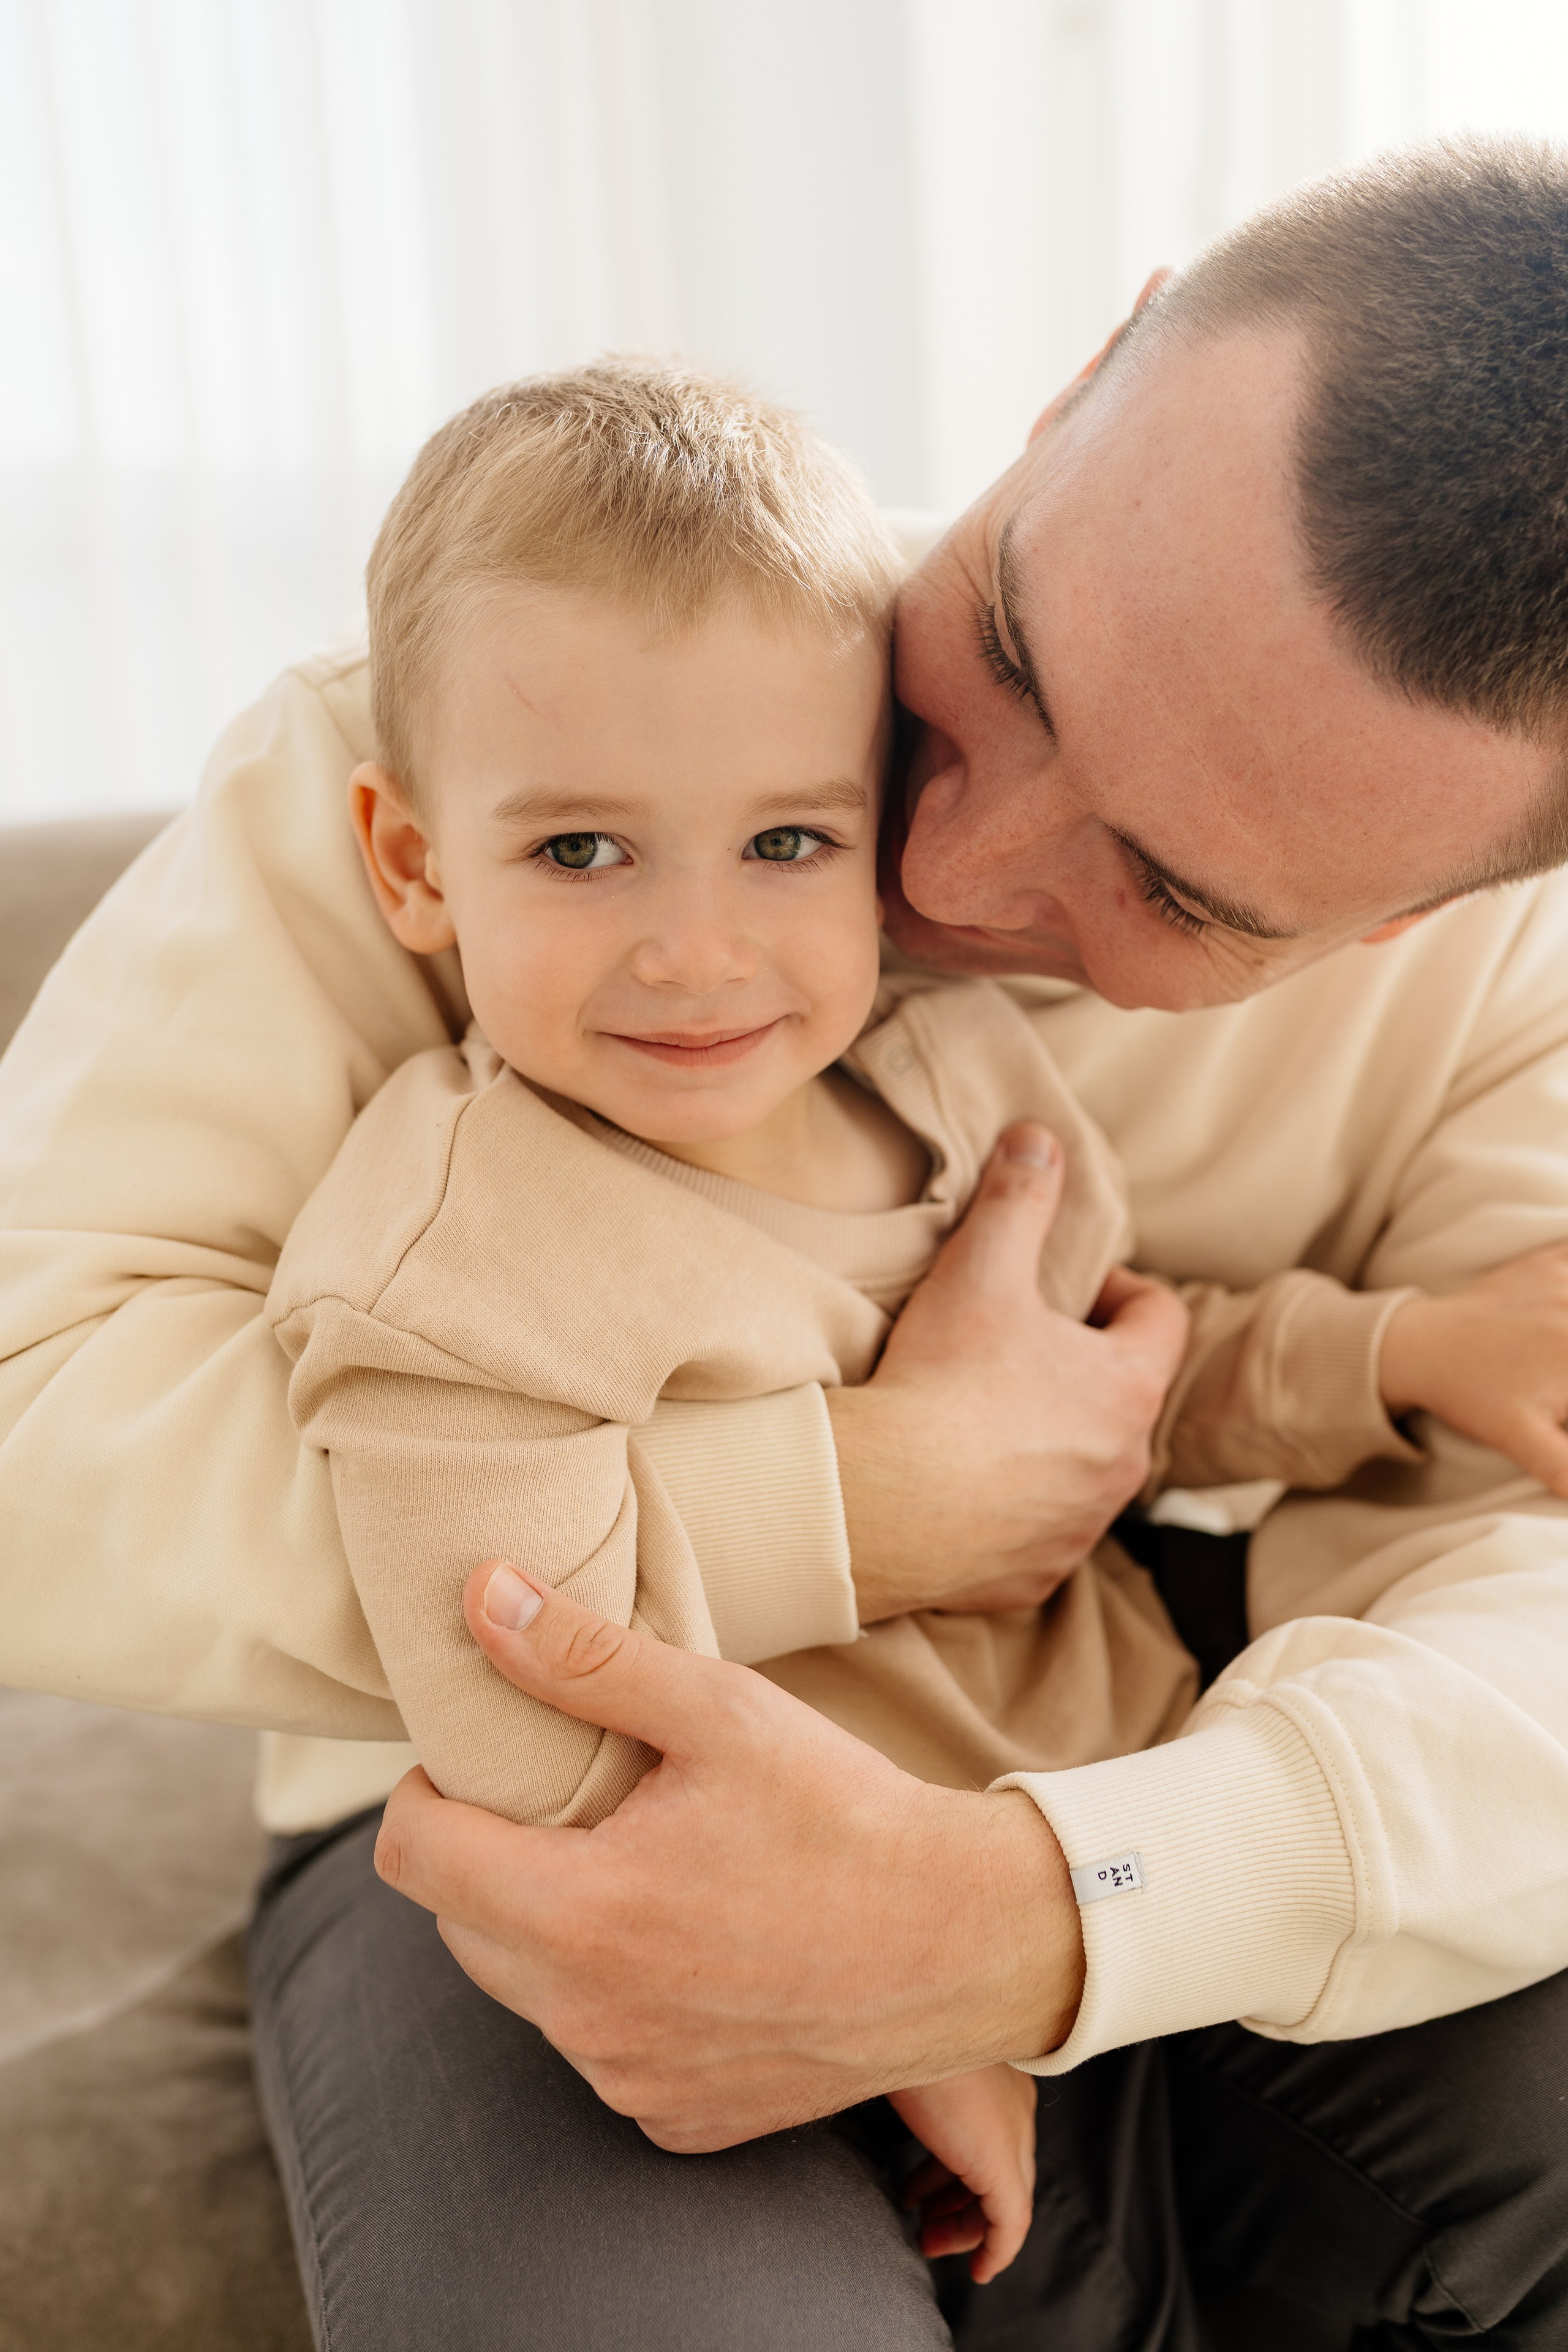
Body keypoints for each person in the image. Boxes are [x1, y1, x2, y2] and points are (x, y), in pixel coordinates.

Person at [5, 135, 1568, 2345]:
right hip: (505, 1784)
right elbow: (27, 1436)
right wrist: (857, 1504)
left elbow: (1380, 1514)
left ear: (1399, 919)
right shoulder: (540, 706)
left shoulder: (1498, 1003)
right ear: (1077, 385)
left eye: (1174, 891)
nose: (949, 854)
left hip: (1120, 1717)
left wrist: (1017, 1916)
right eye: (1010, 644)